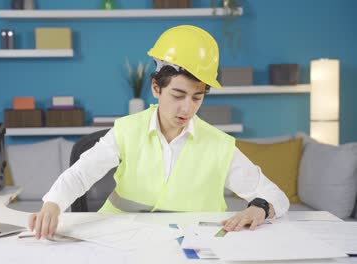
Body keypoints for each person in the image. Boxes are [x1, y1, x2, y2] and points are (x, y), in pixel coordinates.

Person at [29, 25, 290, 240]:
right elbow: (81, 173)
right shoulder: (127, 130)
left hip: (194, 243)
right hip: (120, 239)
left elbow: (275, 195)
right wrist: (52, 204)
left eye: (197, 98)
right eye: (178, 95)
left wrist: (259, 208)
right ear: (156, 88)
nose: (187, 108)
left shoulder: (219, 145)